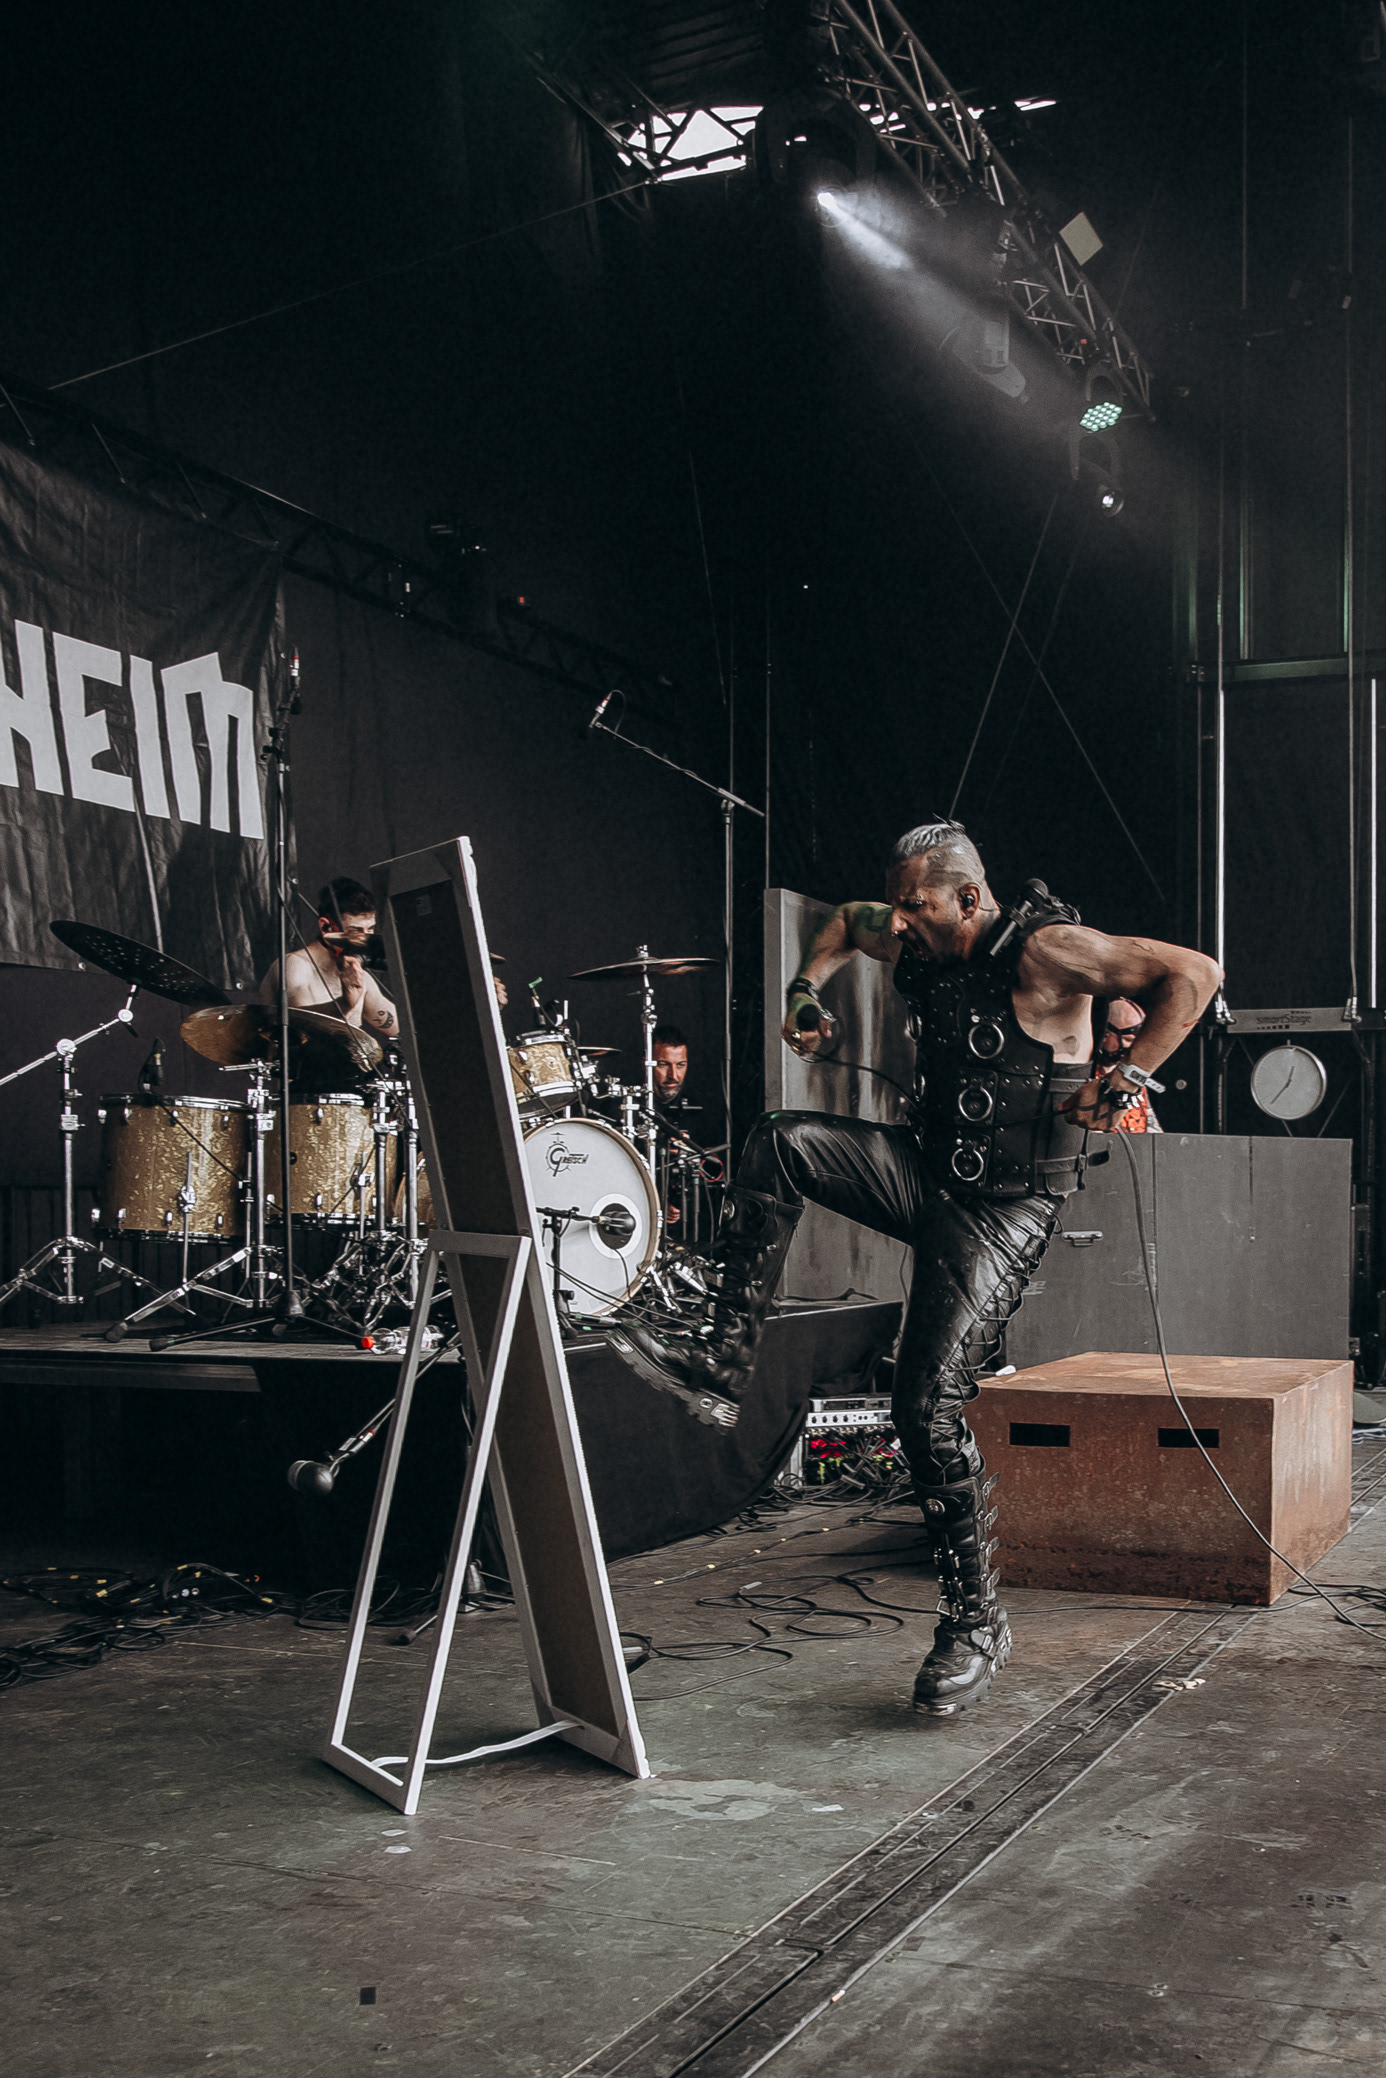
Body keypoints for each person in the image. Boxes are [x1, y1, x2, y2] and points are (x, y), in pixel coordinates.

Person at [611, 819, 1220, 1717]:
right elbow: (840, 925)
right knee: (779, 1141)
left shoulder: (1048, 950)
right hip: (921, 1170)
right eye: (897, 904)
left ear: (969, 899)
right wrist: (805, 992)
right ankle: (722, 1355)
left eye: (915, 904)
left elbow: (1194, 975)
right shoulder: (912, 936)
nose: (897, 921)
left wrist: (1130, 1076)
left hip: (1003, 1208)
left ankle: (975, 1623)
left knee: (923, 1409)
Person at [259, 877, 400, 1041]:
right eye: (356, 931)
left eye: (370, 929)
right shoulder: (294, 965)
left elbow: (401, 1027)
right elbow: (299, 1024)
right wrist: (345, 1004)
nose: (366, 939)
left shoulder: (360, 977)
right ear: (326, 927)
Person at [1099, 998, 1162, 1132]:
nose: (1135, 1048)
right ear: (1105, 1034)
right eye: (1129, 1040)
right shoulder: (1084, 1074)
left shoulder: (1133, 1075)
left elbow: (1152, 1126)